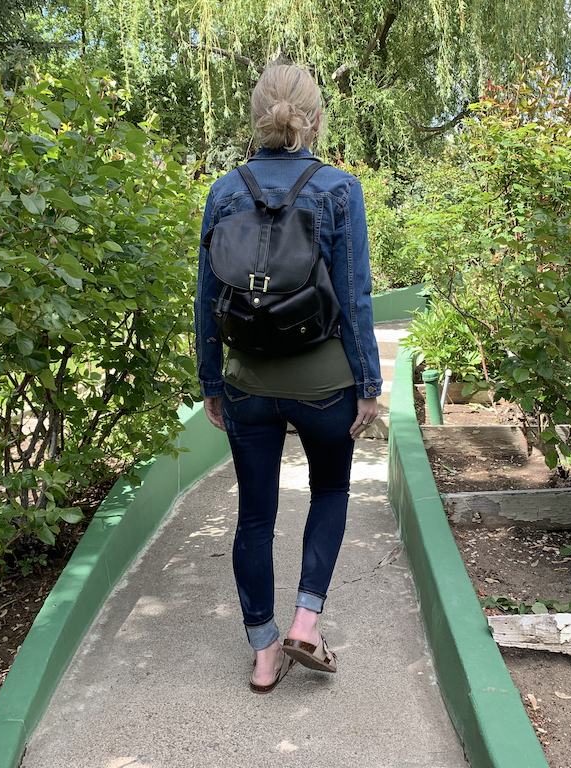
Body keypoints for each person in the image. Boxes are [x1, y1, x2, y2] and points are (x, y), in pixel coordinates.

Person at [194, 63, 383, 693]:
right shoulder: (339, 188)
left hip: (248, 382)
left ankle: (264, 650)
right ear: (314, 116)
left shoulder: (224, 191)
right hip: (325, 382)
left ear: (257, 117)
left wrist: (213, 382)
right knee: (329, 492)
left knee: (255, 515)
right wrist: (368, 384)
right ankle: (307, 618)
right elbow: (355, 297)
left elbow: (205, 298)